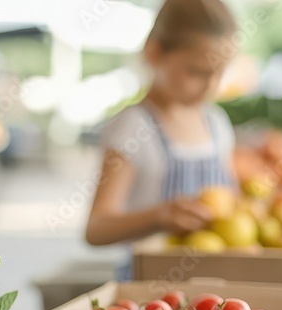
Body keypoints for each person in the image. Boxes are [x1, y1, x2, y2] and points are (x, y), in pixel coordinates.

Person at [85, 0, 238, 274]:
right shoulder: (133, 128)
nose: (209, 86)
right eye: (196, 72)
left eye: (219, 73)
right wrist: (160, 216)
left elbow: (232, 199)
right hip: (152, 294)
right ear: (154, 53)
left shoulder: (216, 123)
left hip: (216, 288)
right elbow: (96, 229)